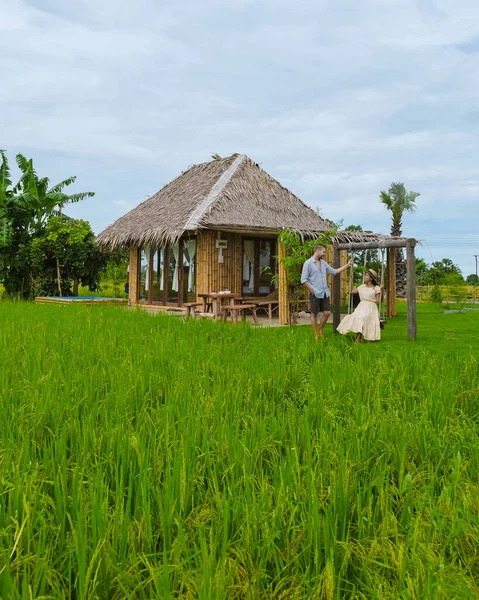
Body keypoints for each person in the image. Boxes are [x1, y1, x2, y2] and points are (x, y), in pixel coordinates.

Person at [301, 244, 354, 339]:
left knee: (327, 313)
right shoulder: (308, 263)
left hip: (325, 292)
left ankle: (320, 330)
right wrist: (311, 290)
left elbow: (334, 271)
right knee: (314, 314)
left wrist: (347, 265)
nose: (324, 254)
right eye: (323, 252)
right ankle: (316, 335)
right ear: (317, 251)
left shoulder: (323, 263)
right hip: (315, 293)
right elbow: (304, 279)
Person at [337, 268, 382, 343]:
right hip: (361, 306)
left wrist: (381, 290)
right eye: (365, 275)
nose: (364, 276)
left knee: (362, 318)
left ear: (371, 278)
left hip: (371, 307)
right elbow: (351, 292)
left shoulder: (376, 288)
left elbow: (378, 301)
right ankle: (358, 336)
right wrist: (351, 280)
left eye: (367, 275)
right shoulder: (362, 286)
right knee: (356, 317)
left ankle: (358, 338)